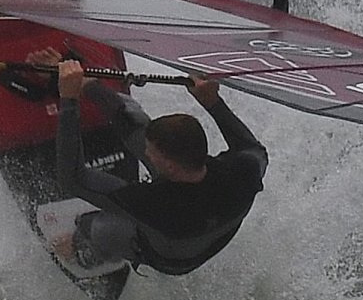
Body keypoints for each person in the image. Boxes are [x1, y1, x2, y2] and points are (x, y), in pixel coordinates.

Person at [34, 48, 267, 275]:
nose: (145, 151)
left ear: (169, 166)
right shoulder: (243, 172)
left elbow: (73, 178)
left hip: (169, 258)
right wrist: (213, 102)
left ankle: (81, 251)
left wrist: (69, 100)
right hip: (209, 228)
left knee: (100, 226)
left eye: (151, 151)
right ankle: (85, 81)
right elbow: (254, 148)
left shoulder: (152, 203)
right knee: (135, 121)